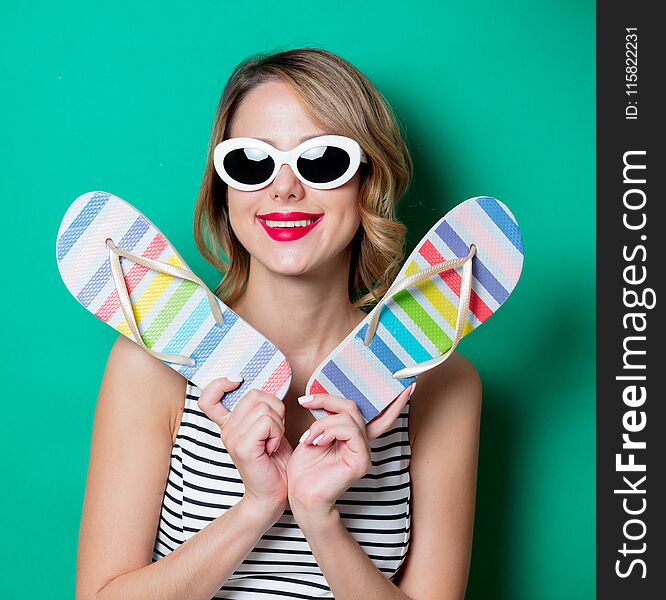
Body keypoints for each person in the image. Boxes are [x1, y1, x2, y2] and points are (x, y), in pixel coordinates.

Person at [75, 48, 482, 600]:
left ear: (368, 180)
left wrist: (319, 516)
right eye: (250, 163)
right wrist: (257, 506)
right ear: (223, 191)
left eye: (321, 162)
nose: (284, 188)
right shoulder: (151, 366)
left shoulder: (440, 382)